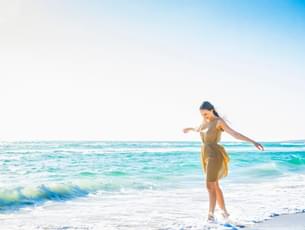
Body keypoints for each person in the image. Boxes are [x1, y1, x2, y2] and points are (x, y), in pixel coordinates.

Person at [182, 101, 264, 222]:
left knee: (209, 185)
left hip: (214, 155)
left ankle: (210, 214)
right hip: (205, 155)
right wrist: (188, 128)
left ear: (211, 110)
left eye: (205, 114)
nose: (204, 116)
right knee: (215, 185)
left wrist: (253, 141)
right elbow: (198, 129)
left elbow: (234, 133)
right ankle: (225, 212)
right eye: (202, 115)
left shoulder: (218, 121)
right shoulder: (205, 122)